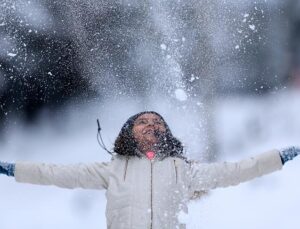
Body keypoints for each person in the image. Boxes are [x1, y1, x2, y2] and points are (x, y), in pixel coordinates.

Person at [0, 111, 299, 229]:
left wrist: (279, 158)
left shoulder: (184, 171)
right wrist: (14, 169)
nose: (152, 125)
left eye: (158, 122)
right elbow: (57, 172)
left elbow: (235, 170)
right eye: (143, 122)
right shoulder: (113, 169)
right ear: (129, 133)